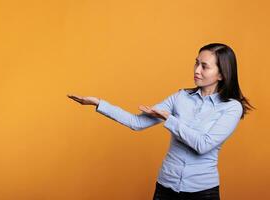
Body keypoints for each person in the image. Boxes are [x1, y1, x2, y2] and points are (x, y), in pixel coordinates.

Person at [67, 43, 255, 200]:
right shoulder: (181, 97)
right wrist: (99, 103)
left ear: (222, 74)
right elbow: (137, 122)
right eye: (196, 63)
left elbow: (203, 144)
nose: (196, 70)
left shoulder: (231, 107)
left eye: (204, 66)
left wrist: (169, 118)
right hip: (165, 187)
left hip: (203, 192)